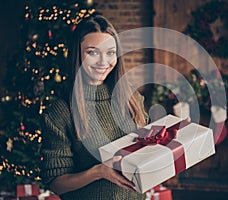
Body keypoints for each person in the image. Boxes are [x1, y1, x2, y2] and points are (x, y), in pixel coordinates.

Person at [41, 12, 148, 200]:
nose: (103, 62)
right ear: (78, 55)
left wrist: (176, 136)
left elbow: (146, 151)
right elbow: (56, 183)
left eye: (110, 52)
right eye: (92, 52)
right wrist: (98, 172)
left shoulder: (132, 98)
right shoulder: (61, 111)